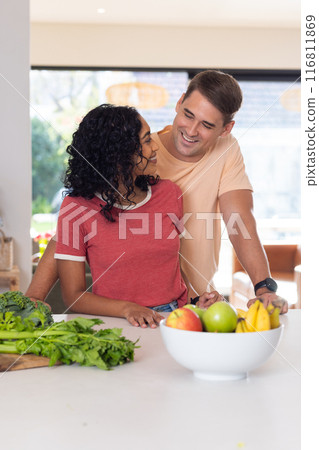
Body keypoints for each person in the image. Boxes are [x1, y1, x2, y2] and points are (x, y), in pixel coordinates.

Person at [26, 70, 287, 314]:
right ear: (179, 102)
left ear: (225, 129)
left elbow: (239, 221)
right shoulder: (132, 154)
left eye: (207, 125)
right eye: (188, 114)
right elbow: (74, 224)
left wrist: (263, 286)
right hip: (130, 310)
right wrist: (34, 298)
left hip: (192, 302)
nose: (191, 131)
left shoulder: (223, 151)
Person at [49, 104, 214, 329]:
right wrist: (127, 308)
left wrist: (195, 301)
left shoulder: (169, 193)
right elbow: (73, 295)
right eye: (146, 140)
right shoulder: (76, 207)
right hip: (114, 322)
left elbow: (171, 265)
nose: (155, 147)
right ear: (119, 154)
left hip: (173, 318)